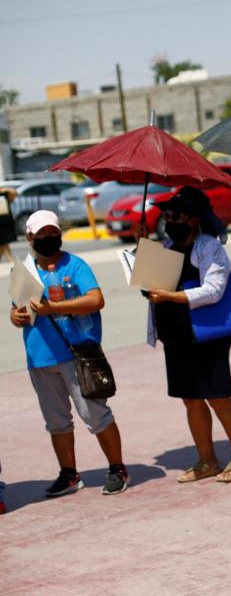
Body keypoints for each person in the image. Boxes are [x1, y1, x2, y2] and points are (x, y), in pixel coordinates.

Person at [137, 188, 231, 484]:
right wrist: (141, 248)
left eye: (175, 215)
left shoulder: (208, 247)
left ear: (192, 219)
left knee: (218, 397)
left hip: (206, 335)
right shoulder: (165, 247)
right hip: (176, 335)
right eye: (165, 215)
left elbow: (213, 290)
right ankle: (207, 460)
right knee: (190, 399)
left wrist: (171, 295)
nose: (168, 220)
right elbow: (148, 285)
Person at [9, 211, 128, 497]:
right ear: (29, 239)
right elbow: (18, 308)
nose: (49, 238)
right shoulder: (22, 270)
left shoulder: (75, 265)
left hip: (77, 355)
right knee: (56, 420)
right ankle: (69, 473)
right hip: (39, 358)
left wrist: (55, 309)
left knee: (95, 414)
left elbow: (96, 299)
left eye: (53, 233)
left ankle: (117, 468)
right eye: (42, 235)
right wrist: (16, 317)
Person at [0, 187, 16, 263]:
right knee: (4, 244)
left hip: (5, 223)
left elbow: (15, 193)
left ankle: (12, 262)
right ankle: (11, 262)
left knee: (3, 244)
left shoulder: (4, 193)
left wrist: (5, 190)